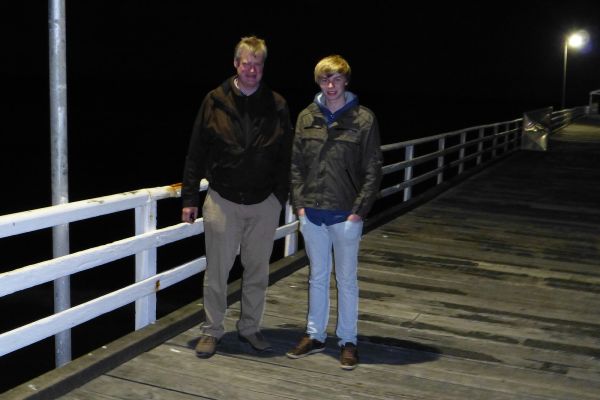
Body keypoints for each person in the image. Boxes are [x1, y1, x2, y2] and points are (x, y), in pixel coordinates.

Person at [181, 36, 293, 358]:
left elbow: (286, 155)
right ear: (236, 64)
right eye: (246, 63)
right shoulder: (214, 101)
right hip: (223, 200)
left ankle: (250, 328)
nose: (252, 70)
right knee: (217, 272)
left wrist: (279, 197)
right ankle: (212, 330)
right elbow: (195, 153)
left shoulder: (277, 104)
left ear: (263, 67)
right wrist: (189, 198)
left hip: (263, 203)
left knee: (257, 271)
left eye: (258, 64)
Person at [286, 55, 383, 370]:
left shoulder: (364, 119)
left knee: (346, 279)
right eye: (325, 79)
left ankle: (347, 340)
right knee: (316, 276)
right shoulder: (306, 117)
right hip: (312, 214)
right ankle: (315, 335)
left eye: (337, 79)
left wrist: (359, 211)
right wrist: (300, 205)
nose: (331, 85)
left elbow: (373, 168)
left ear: (346, 81)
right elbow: (296, 165)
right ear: (318, 82)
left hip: (346, 215)